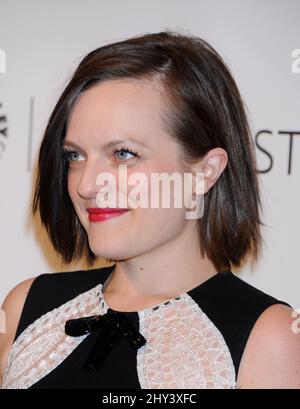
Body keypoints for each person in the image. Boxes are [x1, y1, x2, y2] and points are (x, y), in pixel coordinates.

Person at [0, 30, 299, 389]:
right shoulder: (26, 308)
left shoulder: (270, 337)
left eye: (123, 154)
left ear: (204, 172)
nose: (87, 184)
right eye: (75, 155)